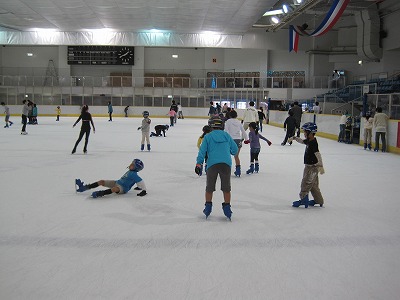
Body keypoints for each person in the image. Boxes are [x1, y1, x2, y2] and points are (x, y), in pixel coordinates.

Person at [195, 116, 238, 220]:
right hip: (226, 164)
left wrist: (198, 164)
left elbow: (202, 151)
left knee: (209, 188)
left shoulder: (208, 137)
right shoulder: (227, 136)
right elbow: (235, 150)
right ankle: (227, 208)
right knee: (226, 188)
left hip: (212, 164)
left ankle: (208, 207)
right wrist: (230, 151)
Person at [289, 122, 325, 208]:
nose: (304, 133)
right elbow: (302, 141)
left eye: (305, 132)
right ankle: (318, 200)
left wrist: (320, 165)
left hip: (311, 167)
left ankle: (304, 200)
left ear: (311, 133)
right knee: (313, 185)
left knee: (306, 183)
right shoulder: (310, 141)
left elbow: (317, 154)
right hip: (312, 167)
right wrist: (294, 138)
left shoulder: (313, 143)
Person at [75, 159, 147, 198]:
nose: (130, 165)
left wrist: (144, 190)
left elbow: (140, 181)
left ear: (136, 168)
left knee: (114, 189)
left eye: (132, 165)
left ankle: (100, 193)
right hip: (117, 182)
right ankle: (84, 188)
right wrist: (139, 187)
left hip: (123, 188)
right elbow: (137, 182)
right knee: (101, 181)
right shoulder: (130, 171)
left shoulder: (134, 174)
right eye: (131, 163)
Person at [224, 109, 247, 177]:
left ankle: (226, 170)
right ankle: (238, 171)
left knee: (227, 156)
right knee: (236, 156)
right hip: (238, 140)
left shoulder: (228, 121)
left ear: (230, 115)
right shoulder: (238, 122)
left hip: (231, 140)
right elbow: (243, 131)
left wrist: (227, 139)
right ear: (236, 115)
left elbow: (226, 131)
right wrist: (246, 139)